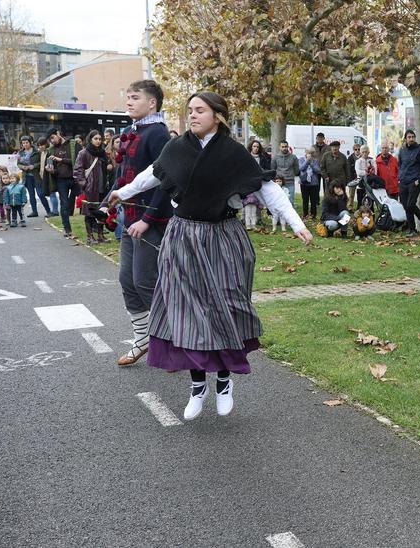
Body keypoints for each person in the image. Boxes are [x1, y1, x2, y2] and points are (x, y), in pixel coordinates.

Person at [108, 91, 311, 420]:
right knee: (188, 314)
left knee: (224, 307)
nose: (193, 116)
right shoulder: (177, 148)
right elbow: (151, 174)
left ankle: (225, 380)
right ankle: (197, 385)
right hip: (183, 237)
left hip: (223, 239)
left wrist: (297, 224)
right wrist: (122, 192)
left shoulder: (233, 154)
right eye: (190, 110)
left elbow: (267, 189)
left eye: (200, 110)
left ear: (218, 115)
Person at [111, 79, 173, 367]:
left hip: (152, 221)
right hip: (129, 219)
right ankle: (143, 340)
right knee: (127, 281)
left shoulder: (159, 134)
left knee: (146, 282)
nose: (129, 102)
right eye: (128, 97)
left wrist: (148, 221)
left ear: (152, 103)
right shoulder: (129, 131)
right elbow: (125, 177)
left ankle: (173, 344)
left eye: (135, 97)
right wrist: (106, 204)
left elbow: (166, 181)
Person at [75, 129, 113, 244]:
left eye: (100, 139)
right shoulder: (84, 153)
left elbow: (107, 167)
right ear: (90, 139)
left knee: (102, 212)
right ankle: (90, 236)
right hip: (90, 188)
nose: (98, 141)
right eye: (95, 139)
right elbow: (78, 171)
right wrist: (84, 185)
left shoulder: (103, 153)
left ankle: (101, 235)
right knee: (89, 213)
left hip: (102, 186)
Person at [44, 130, 78, 237]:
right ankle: (67, 229)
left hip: (76, 178)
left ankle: (93, 228)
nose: (52, 141)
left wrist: (61, 159)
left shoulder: (73, 144)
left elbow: (78, 162)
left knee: (82, 202)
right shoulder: (51, 150)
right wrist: (50, 170)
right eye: (50, 140)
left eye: (53, 137)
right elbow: (52, 169)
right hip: (61, 180)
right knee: (64, 204)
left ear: (59, 133)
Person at [397, 130, 420, 236]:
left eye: (413, 137)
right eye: (409, 137)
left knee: (410, 204)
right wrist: (400, 178)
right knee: (406, 206)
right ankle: (412, 230)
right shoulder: (402, 150)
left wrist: (419, 179)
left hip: (414, 181)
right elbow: (400, 165)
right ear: (405, 138)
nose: (411, 139)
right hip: (403, 181)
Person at [16, 135, 50, 217]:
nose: (25, 144)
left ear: (31, 143)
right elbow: (18, 164)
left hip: (36, 175)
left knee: (40, 194)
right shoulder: (20, 153)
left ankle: (49, 211)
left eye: (26, 142)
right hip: (26, 176)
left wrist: (33, 166)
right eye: (23, 143)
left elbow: (42, 162)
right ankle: (34, 211)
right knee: (31, 194)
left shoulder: (37, 151)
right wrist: (23, 167)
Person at [271, 141, 299, 205]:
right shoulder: (275, 157)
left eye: (286, 147)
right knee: (278, 201)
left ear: (288, 147)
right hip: (279, 183)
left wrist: (291, 175)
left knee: (290, 201)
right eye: (282, 147)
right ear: (279, 147)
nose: (284, 148)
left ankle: (290, 215)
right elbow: (273, 170)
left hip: (290, 182)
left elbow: (297, 170)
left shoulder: (293, 157)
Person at [299, 149, 322, 219]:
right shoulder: (301, 159)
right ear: (305, 153)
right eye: (308, 153)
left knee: (313, 200)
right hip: (304, 182)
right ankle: (305, 214)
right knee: (305, 199)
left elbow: (318, 170)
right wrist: (307, 161)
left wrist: (311, 164)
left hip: (314, 183)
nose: (310, 154)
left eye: (312, 153)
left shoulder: (316, 160)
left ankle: (313, 214)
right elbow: (301, 168)